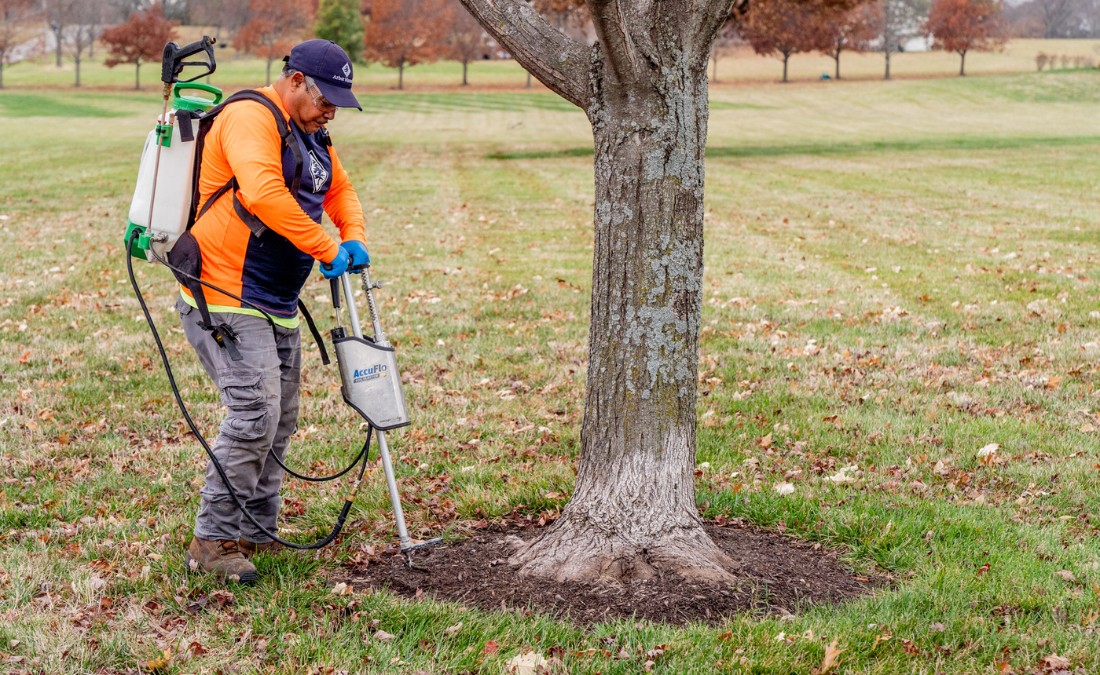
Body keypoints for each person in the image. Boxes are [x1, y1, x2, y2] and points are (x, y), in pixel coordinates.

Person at [177, 39, 368, 583]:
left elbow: (339, 190)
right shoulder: (249, 116)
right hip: (224, 293)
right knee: (254, 413)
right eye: (325, 96)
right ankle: (211, 543)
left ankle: (257, 531)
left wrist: (352, 234)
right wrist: (327, 249)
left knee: (278, 419)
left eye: (340, 99)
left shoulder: (312, 133)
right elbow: (261, 193)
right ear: (297, 79)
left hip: (275, 298)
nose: (332, 108)